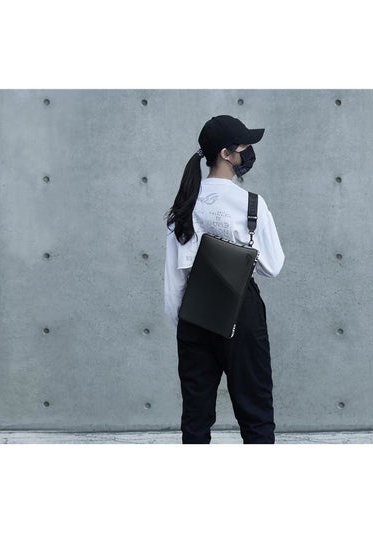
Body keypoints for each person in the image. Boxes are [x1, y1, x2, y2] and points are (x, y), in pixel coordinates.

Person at [163, 115, 285, 444]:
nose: (249, 152)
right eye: (244, 147)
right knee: (256, 412)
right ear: (226, 154)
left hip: (194, 313)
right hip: (240, 310)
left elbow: (174, 276)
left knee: (195, 417)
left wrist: (184, 325)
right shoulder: (252, 203)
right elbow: (273, 266)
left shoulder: (186, 202)